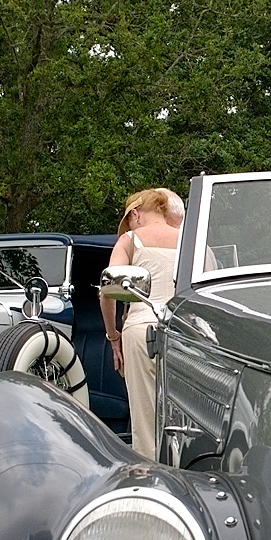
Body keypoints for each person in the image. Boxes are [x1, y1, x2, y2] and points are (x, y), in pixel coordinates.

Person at [101, 188, 184, 460]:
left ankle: (150, 473)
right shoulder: (191, 241)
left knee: (145, 414)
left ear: (135, 214)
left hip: (140, 329)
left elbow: (107, 290)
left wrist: (113, 337)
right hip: (186, 332)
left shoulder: (130, 240)